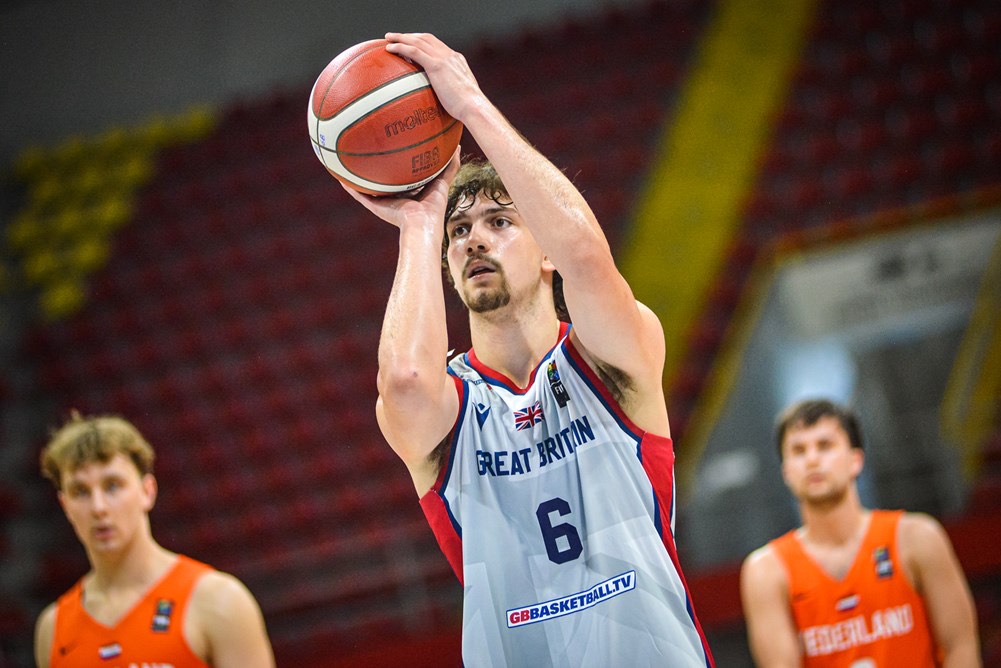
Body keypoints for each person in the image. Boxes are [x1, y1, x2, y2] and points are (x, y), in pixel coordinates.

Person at [341, 31, 714, 667]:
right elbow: (403, 383)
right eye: (461, 231)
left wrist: (473, 107)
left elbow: (591, 261)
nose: (473, 241)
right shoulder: (450, 410)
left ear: (545, 251)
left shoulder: (611, 360)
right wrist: (421, 222)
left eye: (500, 222)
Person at [740, 398, 981, 667]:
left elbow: (961, 648)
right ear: (786, 472)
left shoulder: (917, 538)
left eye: (825, 446)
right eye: (798, 450)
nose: (812, 460)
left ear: (855, 460)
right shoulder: (766, 571)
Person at [33, 412, 275, 668]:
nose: (98, 507)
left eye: (113, 486)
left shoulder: (219, 602)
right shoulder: (53, 629)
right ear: (65, 505)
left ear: (147, 491)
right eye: (80, 491)